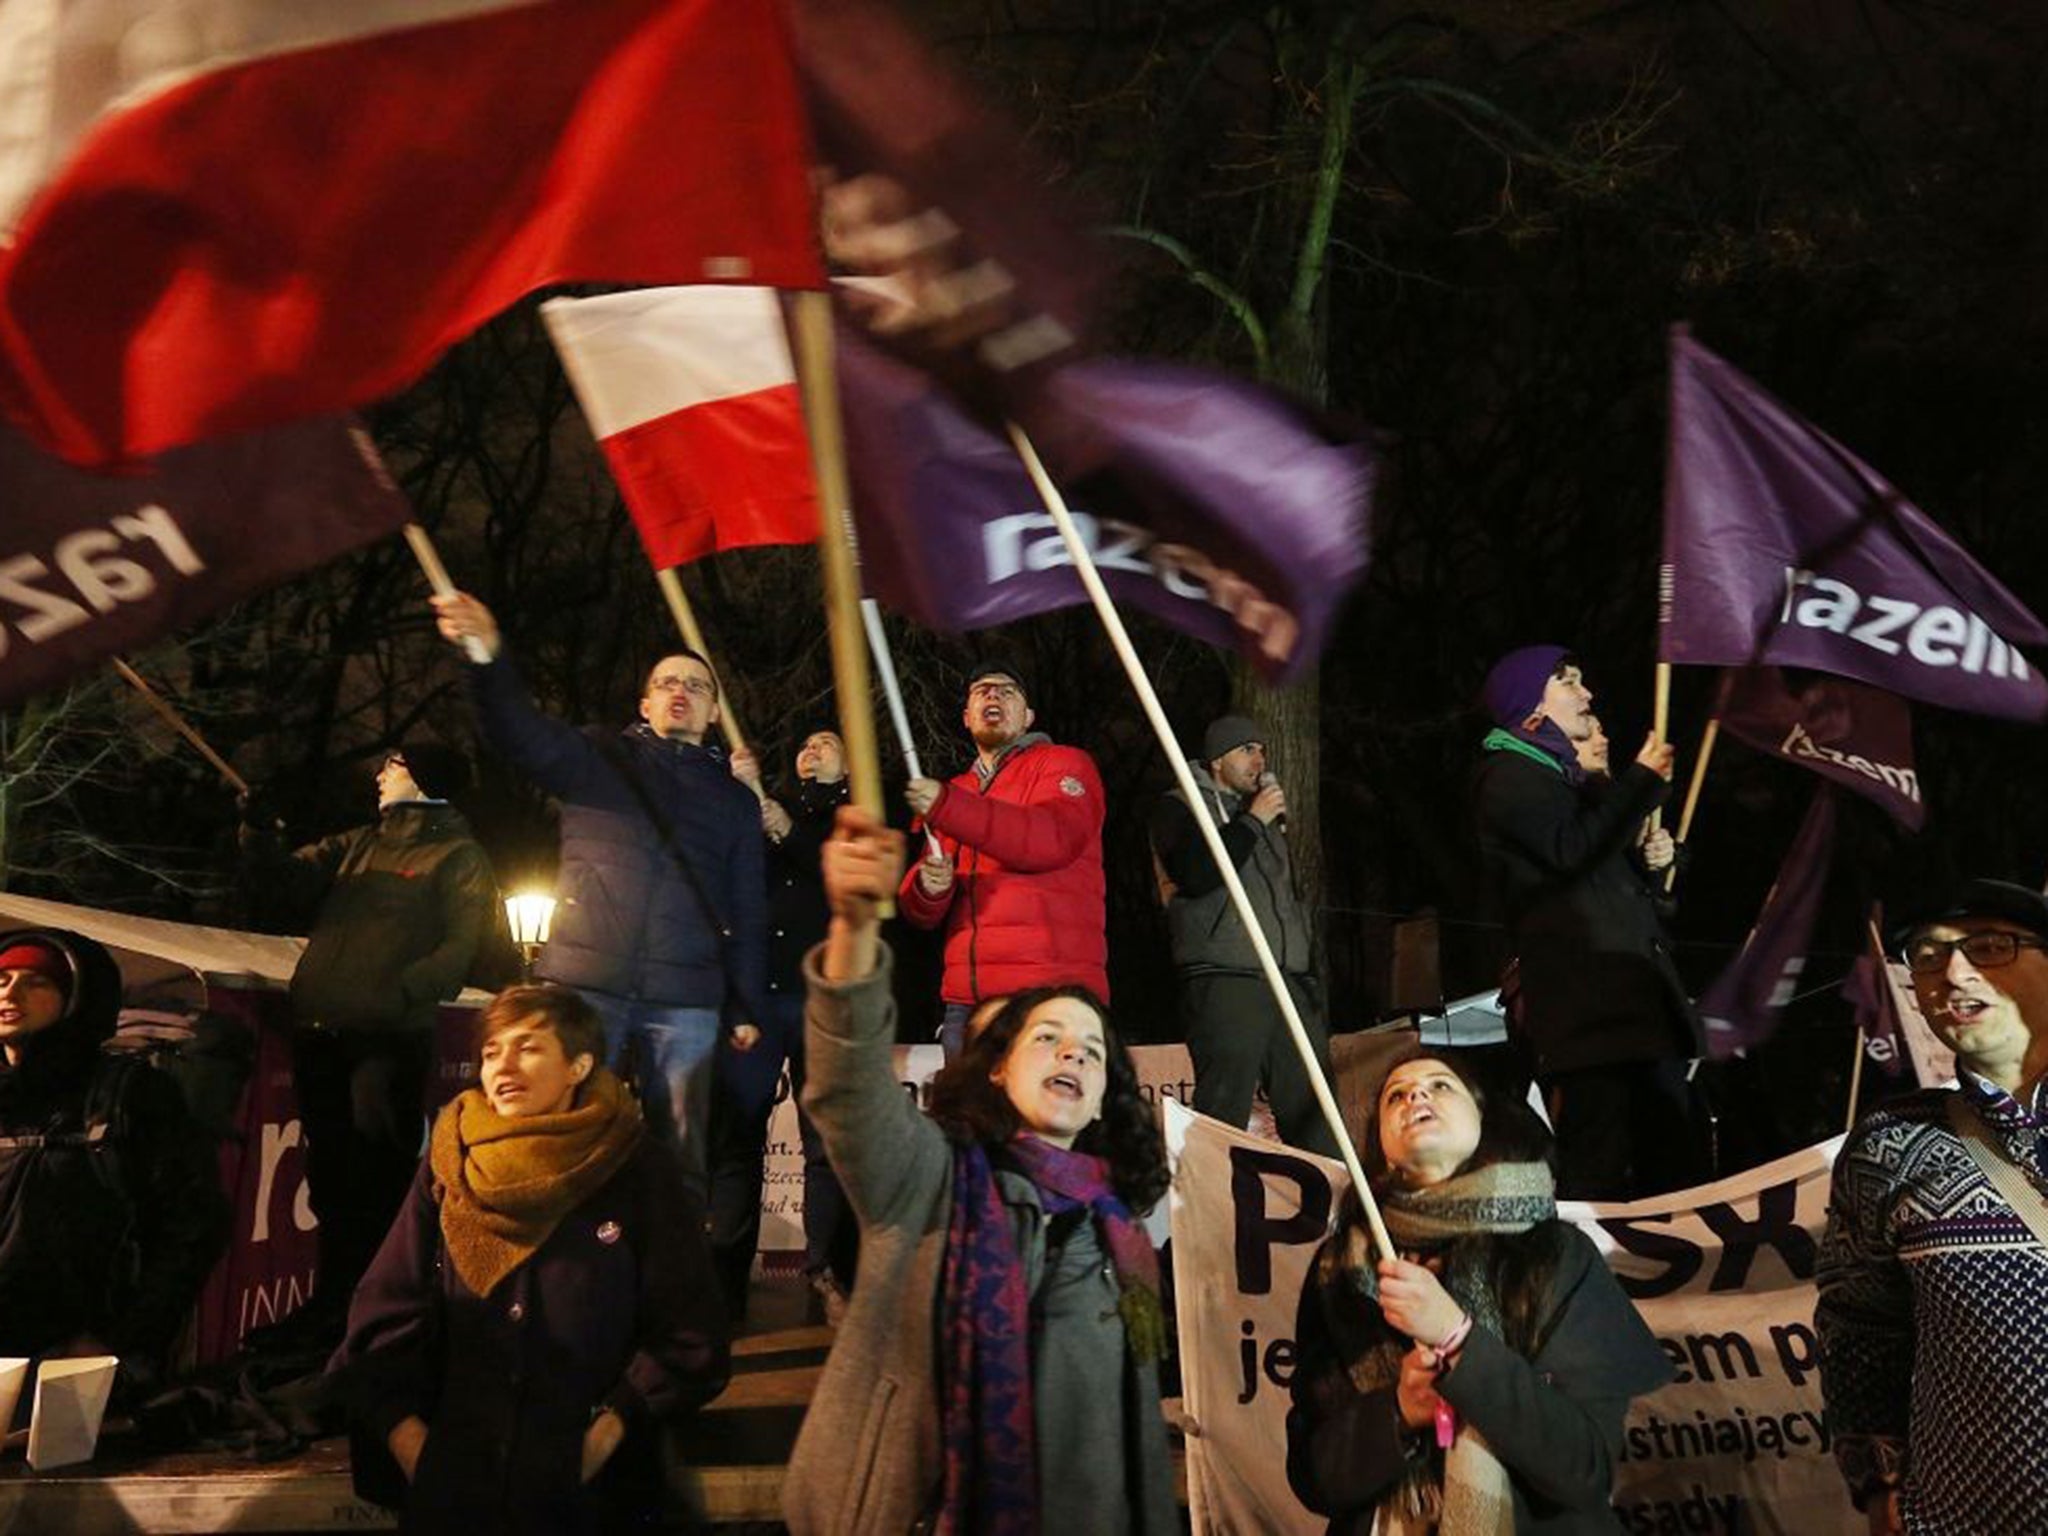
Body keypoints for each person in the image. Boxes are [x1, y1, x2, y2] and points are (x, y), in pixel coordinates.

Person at [783, 808, 1178, 1536]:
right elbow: (846, 1086)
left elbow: (1139, 1430)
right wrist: (854, 931)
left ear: (1101, 1101)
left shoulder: (1123, 1231)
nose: (1074, 1056)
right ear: (996, 1067)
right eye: (1049, 1038)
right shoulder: (928, 1177)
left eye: (1092, 1051)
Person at [336, 983, 729, 1535]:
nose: (503, 1065)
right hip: (458, 1486)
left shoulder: (636, 1167)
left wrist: (606, 1435)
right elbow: (387, 1303)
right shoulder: (451, 1159)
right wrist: (413, 1446)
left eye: (528, 1046)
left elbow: (688, 1325)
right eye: (492, 1050)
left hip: (588, 1496)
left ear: (578, 1065)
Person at [432, 592, 765, 1206]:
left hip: (686, 998)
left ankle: (667, 1286)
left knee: (680, 1157)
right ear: (646, 703)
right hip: (585, 983)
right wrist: (485, 657)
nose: (680, 691)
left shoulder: (735, 801)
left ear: (714, 710)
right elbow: (519, 733)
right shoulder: (600, 758)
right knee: (562, 1137)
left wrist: (744, 1005)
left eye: (695, 684)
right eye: (667, 682)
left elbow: (747, 907)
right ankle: (561, 1279)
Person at [1287, 1047, 1671, 1533]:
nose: (1416, 1095)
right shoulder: (1339, 1270)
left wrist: (1458, 1340)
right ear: (1381, 1145)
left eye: (1439, 1085)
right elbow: (1312, 1477)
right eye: (1395, 1096)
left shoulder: (1554, 1253)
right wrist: (1398, 1412)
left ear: (1483, 1118)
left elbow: (1583, 1468)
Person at [241, 744, 499, 1342]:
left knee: (376, 1178)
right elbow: (283, 882)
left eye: (395, 764)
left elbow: (460, 947)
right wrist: (259, 832)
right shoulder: (359, 843)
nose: (381, 775)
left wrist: (397, 992)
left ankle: (378, 1313)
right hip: (321, 1032)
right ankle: (333, 1304)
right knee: (330, 1177)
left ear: (424, 777)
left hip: (386, 1041)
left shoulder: (459, 856)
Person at [1816, 878, 2048, 1535]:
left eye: (1990, 946)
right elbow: (1858, 1325)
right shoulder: (1891, 1144)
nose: (1954, 971)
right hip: (1966, 1518)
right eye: (1927, 954)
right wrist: (1878, 1487)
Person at [1472, 645, 1703, 1199]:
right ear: (1532, 707)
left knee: (1679, 1171)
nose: (1587, 694)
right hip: (1590, 1025)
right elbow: (1571, 850)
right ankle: (1593, 1280)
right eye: (1568, 683)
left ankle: (1686, 1281)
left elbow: (1633, 900)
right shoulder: (1508, 777)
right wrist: (1641, 782)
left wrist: (1659, 865)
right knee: (1599, 1170)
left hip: (1638, 1015)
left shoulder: (1573, 787)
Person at [0, 929, 229, 1402]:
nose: (10, 992)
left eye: (36, 981)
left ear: (76, 998)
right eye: (1, 978)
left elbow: (191, 1226)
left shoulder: (125, 1094)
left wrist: (123, 1342)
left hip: (74, 1364)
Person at [710, 727, 857, 1319]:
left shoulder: (857, 811)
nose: (810, 747)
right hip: (758, 993)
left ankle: (824, 1271)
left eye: (825, 741)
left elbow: (841, 877)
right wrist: (745, 798)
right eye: (804, 742)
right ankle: (723, 1275)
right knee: (737, 1133)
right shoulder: (766, 805)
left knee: (825, 1141)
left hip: (823, 993)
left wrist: (787, 830)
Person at [898, 658, 1107, 1058]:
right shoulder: (957, 791)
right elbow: (921, 911)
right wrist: (929, 887)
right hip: (967, 1005)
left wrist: (947, 805)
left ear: (1028, 716)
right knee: (969, 1120)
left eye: (1007, 690)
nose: (992, 694)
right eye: (981, 691)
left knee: (1041, 1122)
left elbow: (1050, 838)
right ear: (966, 717)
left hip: (1049, 998)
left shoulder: (1065, 764)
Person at [1150, 713, 1338, 1156]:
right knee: (1224, 1108)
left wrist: (1305, 971)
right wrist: (1252, 823)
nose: (1260, 759)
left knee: (1314, 1108)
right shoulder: (1180, 806)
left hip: (1285, 978)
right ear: (1217, 760)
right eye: (1246, 750)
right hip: (1226, 977)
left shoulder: (1264, 818)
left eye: (1262, 749)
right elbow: (1196, 874)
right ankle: (1212, 1215)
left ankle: (1333, 1210)